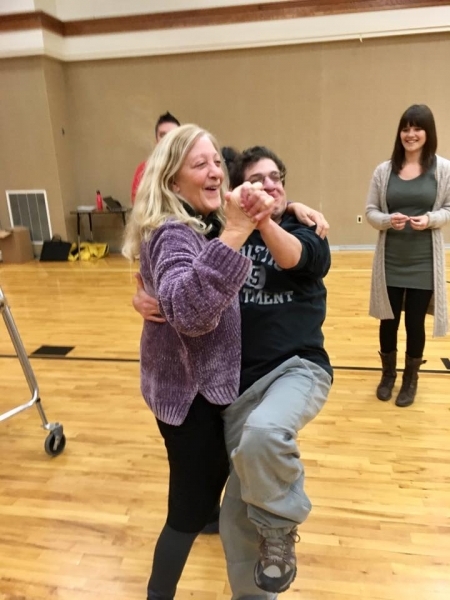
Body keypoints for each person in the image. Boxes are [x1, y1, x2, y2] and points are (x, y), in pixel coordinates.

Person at [133, 145, 333, 598]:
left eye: (277, 178)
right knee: (235, 518)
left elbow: (294, 258)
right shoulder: (222, 234)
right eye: (257, 180)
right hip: (237, 388)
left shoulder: (306, 229)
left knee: (264, 435)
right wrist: (143, 293)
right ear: (238, 191)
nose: (270, 186)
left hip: (296, 371)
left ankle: (280, 530)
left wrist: (267, 217)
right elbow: (171, 259)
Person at [122, 124, 274, 600]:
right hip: (188, 396)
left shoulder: (202, 220)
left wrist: (292, 209)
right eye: (199, 164)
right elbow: (189, 311)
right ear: (173, 180)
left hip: (196, 385)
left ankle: (208, 512)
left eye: (216, 162)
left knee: (210, 480)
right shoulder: (173, 233)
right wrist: (236, 232)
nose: (215, 172)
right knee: (186, 509)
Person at [365, 104, 450, 408]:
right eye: (405, 128)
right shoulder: (383, 171)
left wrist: (430, 219)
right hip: (390, 261)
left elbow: (449, 209)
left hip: (424, 262)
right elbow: (371, 212)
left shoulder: (443, 169)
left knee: (415, 324)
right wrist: (388, 220)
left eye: (417, 128)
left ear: (428, 133)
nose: (410, 134)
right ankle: (388, 375)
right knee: (388, 323)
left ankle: (410, 379)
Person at [131, 111, 181, 204]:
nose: (167, 139)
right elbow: (137, 204)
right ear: (156, 140)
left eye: (173, 134)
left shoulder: (191, 167)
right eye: (163, 135)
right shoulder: (144, 170)